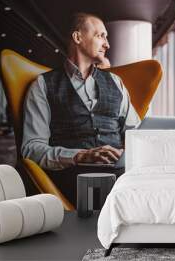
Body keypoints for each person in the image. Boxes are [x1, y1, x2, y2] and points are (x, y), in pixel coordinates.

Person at [21, 12, 140, 170]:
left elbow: (138, 135)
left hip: (121, 177)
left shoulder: (115, 82)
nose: (107, 44)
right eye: (101, 36)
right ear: (77, 38)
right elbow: (31, 148)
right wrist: (79, 156)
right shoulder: (42, 85)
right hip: (73, 179)